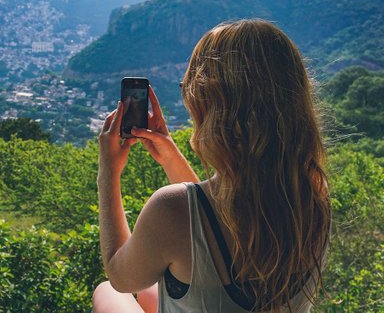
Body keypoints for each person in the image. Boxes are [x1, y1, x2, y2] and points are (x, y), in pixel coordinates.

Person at [93, 19, 330, 313]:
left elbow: (120, 275)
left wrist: (108, 173)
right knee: (151, 293)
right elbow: (209, 221)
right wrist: (169, 156)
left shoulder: (169, 209)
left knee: (107, 294)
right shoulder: (312, 193)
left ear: (209, 102)